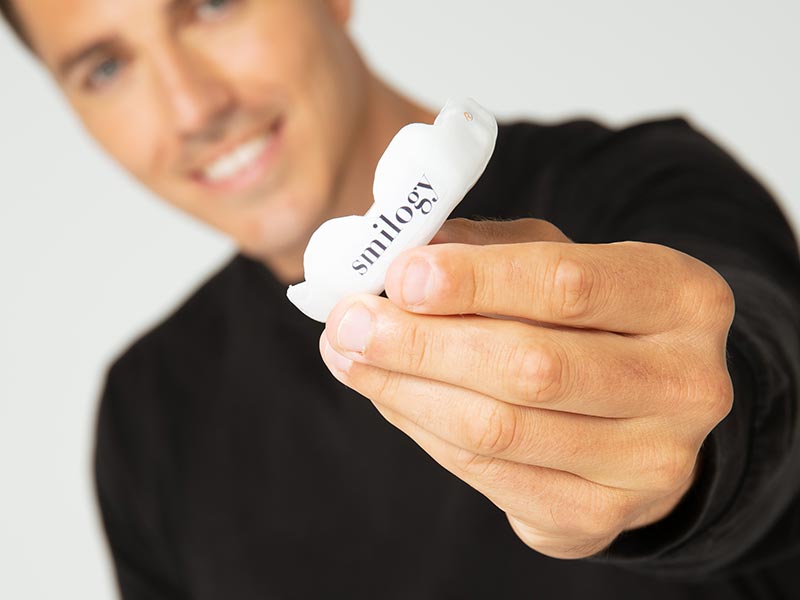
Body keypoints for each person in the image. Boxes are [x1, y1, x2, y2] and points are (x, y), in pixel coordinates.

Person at [3, 0, 799, 598]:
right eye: (105, 68)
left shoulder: (647, 187)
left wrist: (694, 463)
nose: (193, 107)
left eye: (212, 2)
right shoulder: (149, 409)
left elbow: (765, 377)